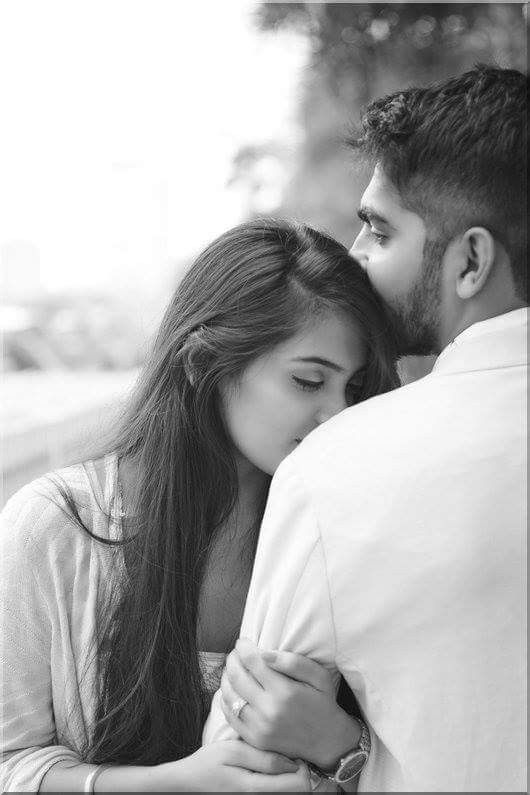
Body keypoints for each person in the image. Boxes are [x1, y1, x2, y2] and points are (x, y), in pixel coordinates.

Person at [204, 65, 528, 792]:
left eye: (379, 229)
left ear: (470, 260)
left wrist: (350, 753)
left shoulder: (338, 469)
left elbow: (248, 765)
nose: (354, 254)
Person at [0, 220, 398, 792]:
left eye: (354, 390)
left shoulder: (346, 534)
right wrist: (175, 783)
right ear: (203, 363)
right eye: (310, 381)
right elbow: (12, 762)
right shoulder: (57, 528)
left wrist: (341, 748)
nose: (338, 416)